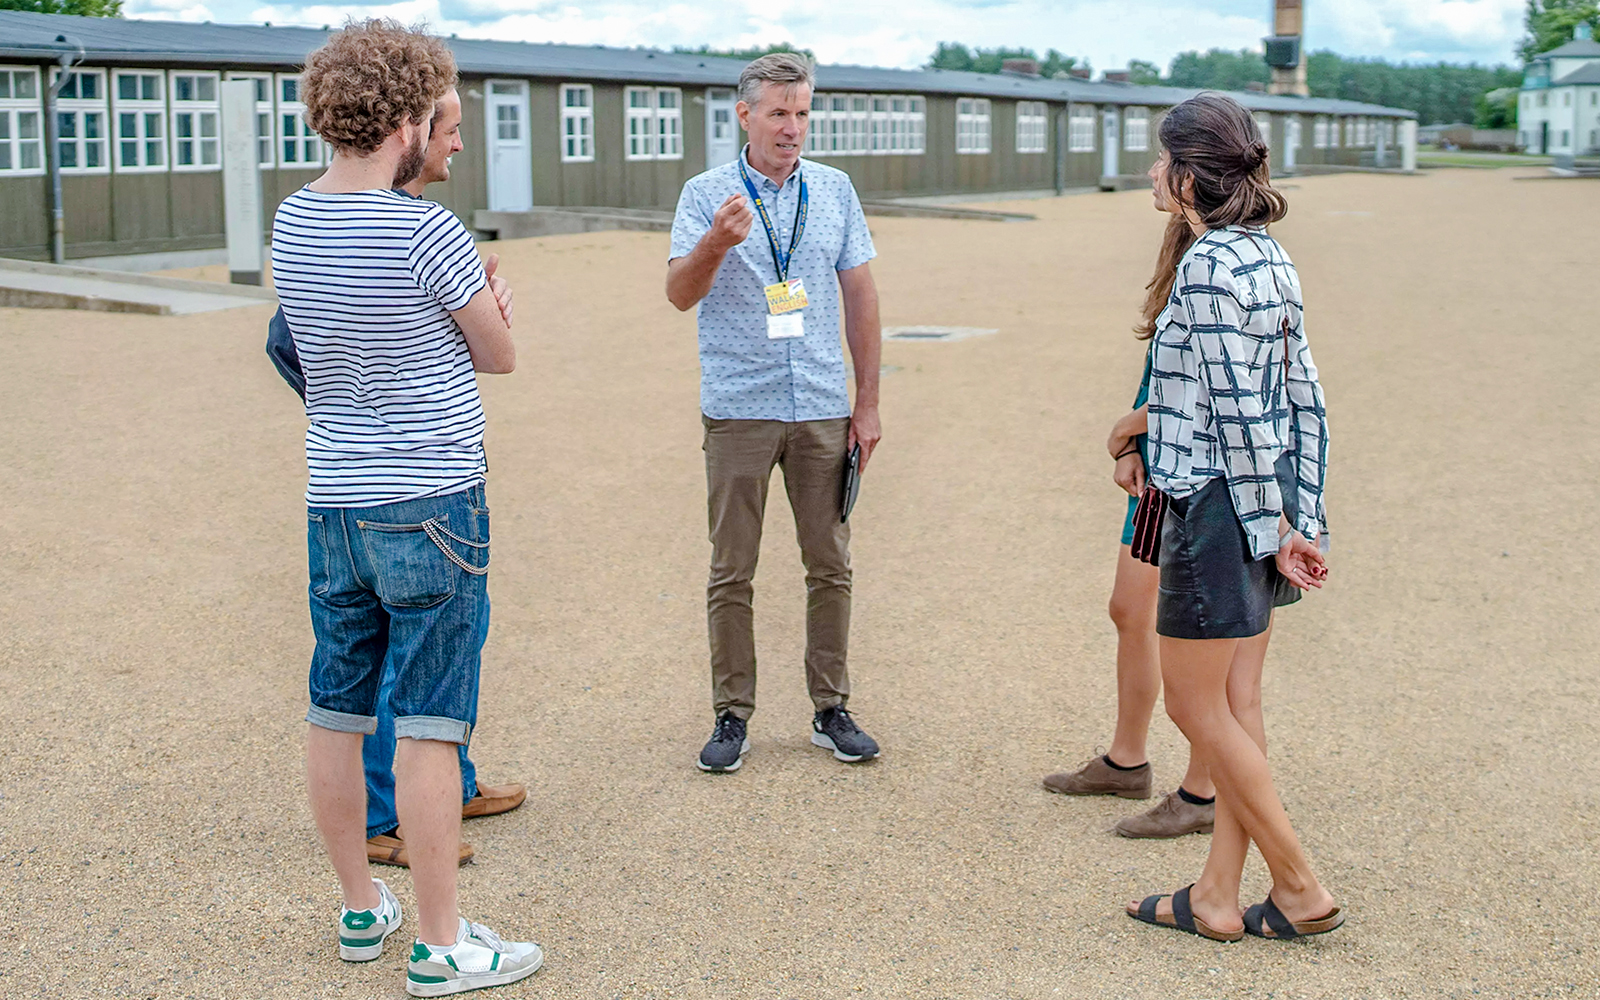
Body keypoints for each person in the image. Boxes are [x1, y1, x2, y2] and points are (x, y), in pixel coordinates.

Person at [272, 19, 542, 994]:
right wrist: (492, 300)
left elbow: (310, 344)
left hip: (334, 503)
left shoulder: (291, 219)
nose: (451, 138)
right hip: (428, 498)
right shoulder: (428, 230)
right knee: (432, 722)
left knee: (335, 710)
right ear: (404, 120)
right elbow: (497, 355)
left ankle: (358, 909)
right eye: (444, 119)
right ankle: (439, 943)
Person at [1122, 93, 1341, 942]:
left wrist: (1269, 529)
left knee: (1196, 707)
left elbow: (1244, 415)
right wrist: (1303, 516)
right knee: (1238, 701)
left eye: (1157, 159)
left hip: (1219, 508)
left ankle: (1298, 884)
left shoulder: (1210, 268)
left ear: (1185, 176)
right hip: (1262, 496)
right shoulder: (1268, 257)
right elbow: (1304, 401)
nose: (1149, 171)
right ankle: (1217, 894)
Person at [666, 52, 883, 773]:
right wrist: (716, 243)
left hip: (822, 402)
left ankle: (831, 708)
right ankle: (732, 715)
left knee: (831, 564)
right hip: (740, 408)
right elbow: (677, 292)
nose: (793, 127)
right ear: (745, 115)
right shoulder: (705, 195)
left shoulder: (836, 190)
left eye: (801, 112)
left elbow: (860, 295)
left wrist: (868, 403)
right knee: (732, 569)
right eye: (779, 113)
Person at [1039, 202, 1219, 841]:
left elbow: (1216, 387)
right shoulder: (1187, 242)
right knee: (1129, 609)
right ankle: (1126, 759)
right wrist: (1136, 442)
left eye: (1164, 159)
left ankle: (1203, 790)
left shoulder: (1225, 257)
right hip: (1162, 464)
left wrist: (1126, 427)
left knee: (1202, 637)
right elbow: (1168, 374)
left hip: (1203, 473)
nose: (1152, 173)